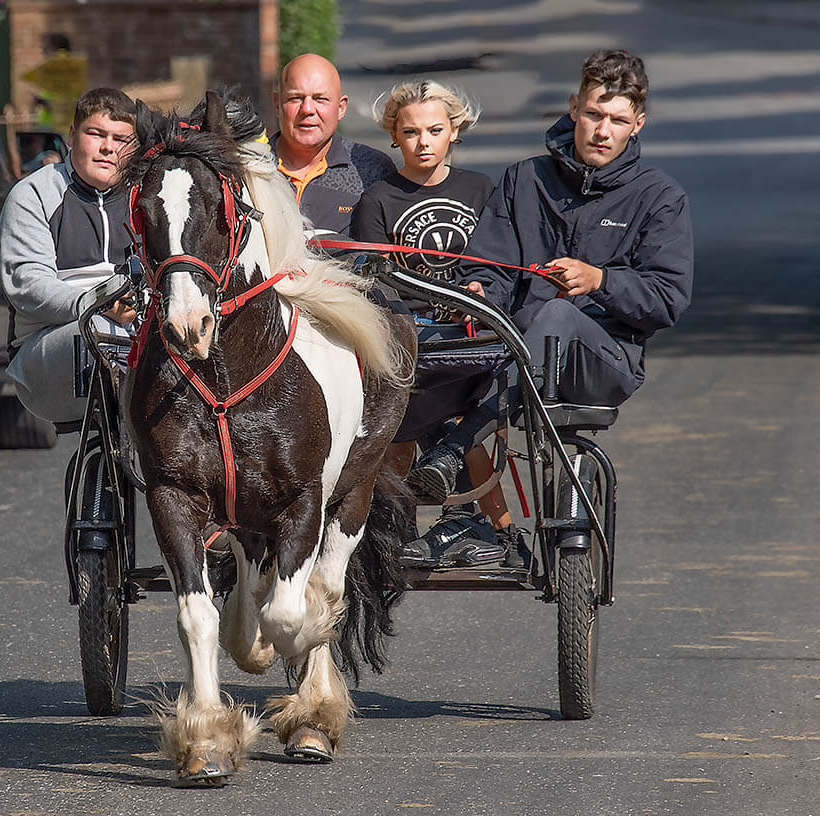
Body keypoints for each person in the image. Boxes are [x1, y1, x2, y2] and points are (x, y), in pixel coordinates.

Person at [409, 49, 694, 501]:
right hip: (515, 355)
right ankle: (454, 523)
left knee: (558, 314)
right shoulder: (525, 179)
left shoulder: (659, 197)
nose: (602, 131)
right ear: (573, 108)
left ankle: (455, 447)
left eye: (618, 121)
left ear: (637, 124)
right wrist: (481, 291)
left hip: (603, 363)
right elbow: (488, 265)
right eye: (594, 114)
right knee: (415, 355)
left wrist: (600, 281)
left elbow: (667, 300)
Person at [351, 80, 527, 569]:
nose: (423, 141)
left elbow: (498, 262)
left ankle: (487, 525)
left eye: (434, 130)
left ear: (455, 132)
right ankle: (493, 527)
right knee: (434, 405)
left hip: (476, 330)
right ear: (394, 137)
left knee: (460, 405)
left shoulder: (481, 189)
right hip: (411, 333)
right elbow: (376, 285)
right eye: (410, 132)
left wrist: (477, 294)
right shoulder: (378, 200)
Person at [0, 87, 138, 424]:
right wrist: (96, 303)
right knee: (97, 334)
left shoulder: (146, 198)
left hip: (136, 334)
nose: (108, 147)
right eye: (96, 133)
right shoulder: (33, 194)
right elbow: (28, 285)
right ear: (72, 135)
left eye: (121, 139)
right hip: (50, 344)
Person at [271, 53, 396, 235]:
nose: (307, 109)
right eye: (295, 98)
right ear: (277, 104)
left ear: (341, 108)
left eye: (320, 99)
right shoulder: (247, 167)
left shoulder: (373, 169)